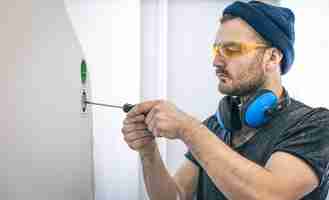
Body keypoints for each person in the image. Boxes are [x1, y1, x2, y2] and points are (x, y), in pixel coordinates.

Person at [121, 1, 329, 199]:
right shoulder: (214, 127)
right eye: (216, 50)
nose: (216, 62)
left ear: (272, 58)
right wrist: (148, 152)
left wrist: (188, 129)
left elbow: (269, 195)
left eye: (231, 50)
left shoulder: (315, 124)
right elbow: (176, 197)